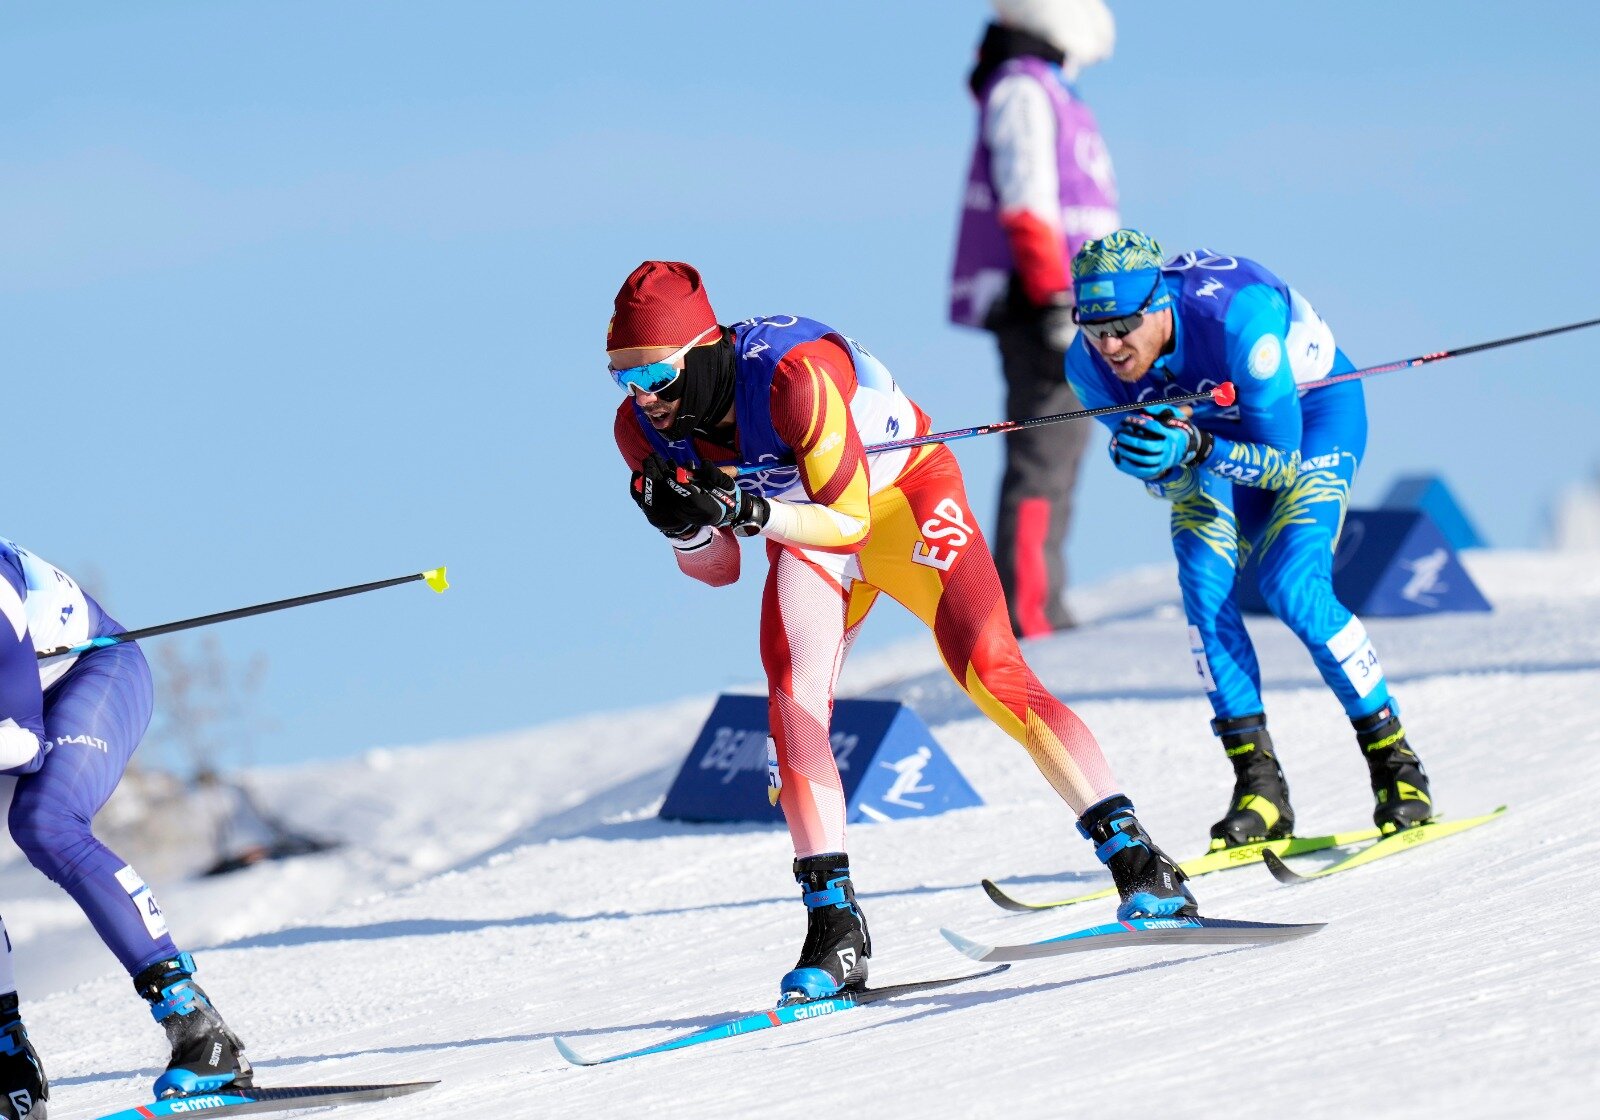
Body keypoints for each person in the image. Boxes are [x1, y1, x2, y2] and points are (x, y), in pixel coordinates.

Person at [608, 260, 1198, 1006]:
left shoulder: (794, 375)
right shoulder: (639, 429)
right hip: (808, 535)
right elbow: (718, 570)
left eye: (656, 373)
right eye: (622, 377)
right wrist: (683, 528)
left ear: (702, 349)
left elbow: (851, 519)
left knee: (991, 669)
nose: (643, 396)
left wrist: (747, 514)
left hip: (902, 502)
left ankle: (1140, 861)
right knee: (793, 705)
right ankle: (834, 929)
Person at [1062, 229, 1434, 849]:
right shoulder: (1087, 366)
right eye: (1094, 327)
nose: (1110, 345)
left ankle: (1397, 767)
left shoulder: (1240, 320)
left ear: (1158, 304)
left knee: (1291, 584)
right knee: (1204, 586)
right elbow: (1175, 487)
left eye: (1124, 325)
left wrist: (1195, 447)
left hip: (1308, 421)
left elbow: (1281, 465)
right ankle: (1259, 788)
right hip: (1214, 440)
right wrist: (1164, 468)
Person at [0, 538, 252, 1116]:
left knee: (46, 823)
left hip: (91, 674)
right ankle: (8, 1061)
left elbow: (20, 744)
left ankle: (198, 1029)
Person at [949, 0, 1120, 637]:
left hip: (1080, 303)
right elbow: (1027, 198)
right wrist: (1056, 299)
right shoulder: (1023, 87)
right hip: (1044, 304)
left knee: (1066, 448)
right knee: (1046, 448)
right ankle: (1028, 614)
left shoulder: (1050, 86)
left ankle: (1038, 602)